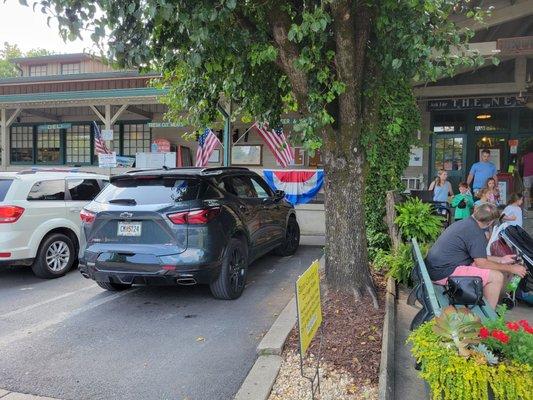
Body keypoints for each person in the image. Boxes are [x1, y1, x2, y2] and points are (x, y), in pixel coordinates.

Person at [426, 203, 527, 308]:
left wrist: (501, 259)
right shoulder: (476, 233)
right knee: (496, 277)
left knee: (493, 270)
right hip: (443, 272)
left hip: (436, 268)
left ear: (476, 212)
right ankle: (489, 319)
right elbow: (481, 264)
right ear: (490, 223)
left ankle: (485, 307)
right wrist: (511, 269)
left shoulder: (465, 223)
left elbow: (479, 257)